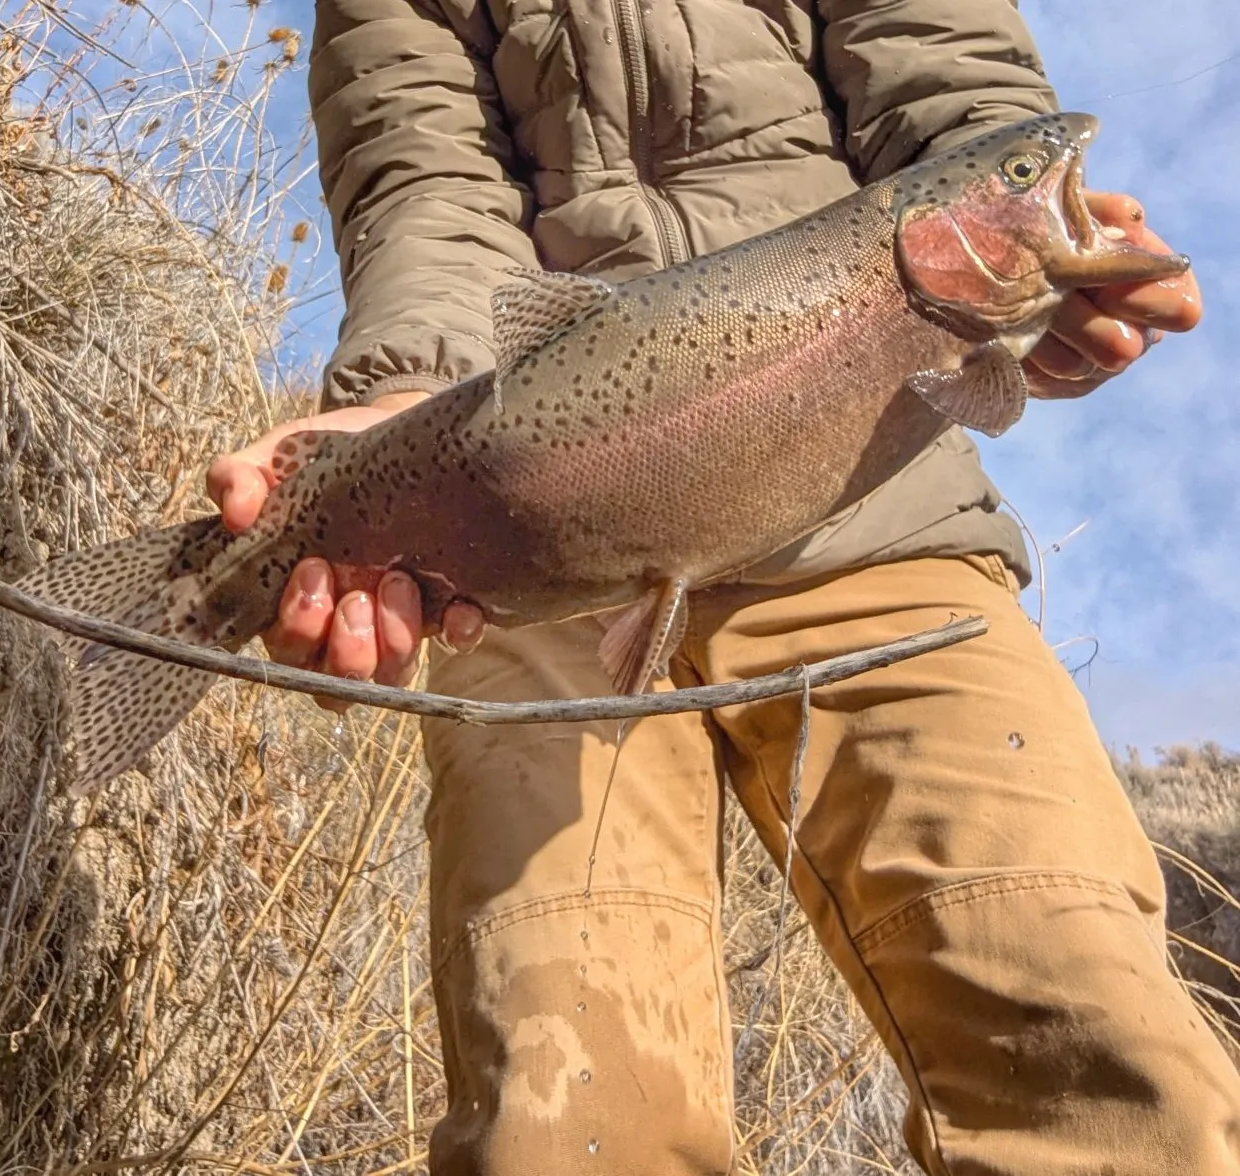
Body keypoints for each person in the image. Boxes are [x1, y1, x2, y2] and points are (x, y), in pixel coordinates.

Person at [208, 1, 1240, 1172]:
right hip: (540, 550)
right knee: (566, 1122)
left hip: (882, 532)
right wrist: (410, 404)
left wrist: (1041, 256)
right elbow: (423, 186)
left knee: (1098, 1042)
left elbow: (949, 96)